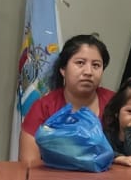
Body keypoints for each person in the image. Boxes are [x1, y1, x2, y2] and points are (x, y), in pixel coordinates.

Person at [19, 35, 114, 168]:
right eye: (80, 63)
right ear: (63, 69)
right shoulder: (43, 107)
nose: (88, 72)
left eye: (96, 65)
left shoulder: (116, 103)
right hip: (54, 179)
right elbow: (29, 164)